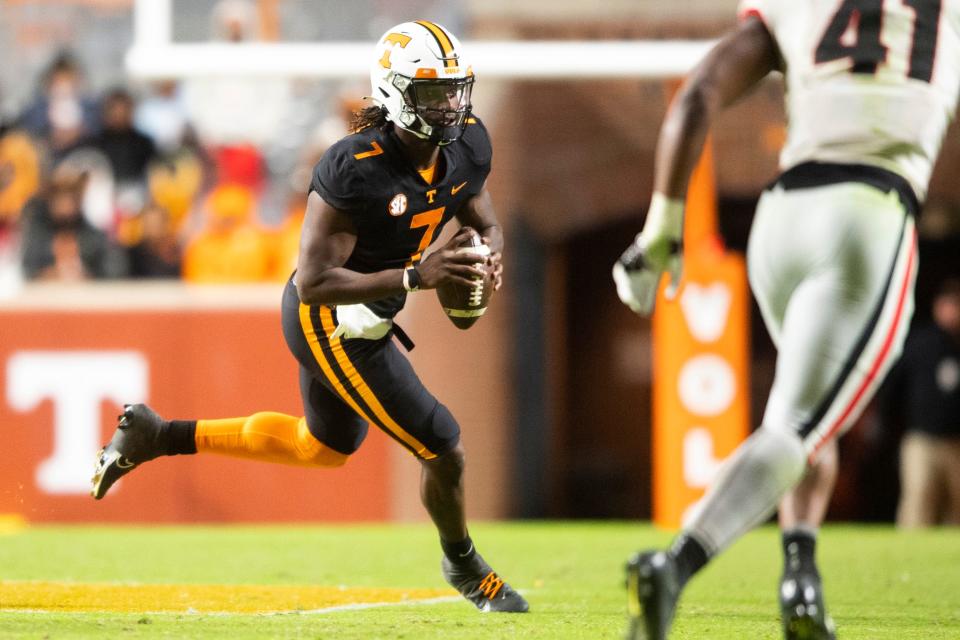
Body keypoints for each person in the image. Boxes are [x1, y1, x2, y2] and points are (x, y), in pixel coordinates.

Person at [91, 20, 528, 614]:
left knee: (322, 447)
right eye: (433, 93)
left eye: (455, 89)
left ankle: (157, 435)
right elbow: (315, 281)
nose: (450, 105)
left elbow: (484, 216)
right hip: (329, 320)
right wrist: (414, 276)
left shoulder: (467, 142)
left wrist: (489, 254)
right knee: (442, 445)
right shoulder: (355, 166)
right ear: (396, 94)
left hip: (370, 314)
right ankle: (466, 567)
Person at [612, 1, 960, 639]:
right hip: (869, 216)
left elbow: (696, 97)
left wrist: (661, 231)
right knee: (798, 428)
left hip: (783, 219)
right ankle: (674, 565)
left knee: (805, 423)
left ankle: (801, 576)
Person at [882, 277, 960, 528]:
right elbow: (892, 387)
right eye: (950, 304)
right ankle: (907, 558)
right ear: (939, 306)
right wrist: (888, 426)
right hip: (921, 440)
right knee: (918, 503)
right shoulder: (919, 343)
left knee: (957, 508)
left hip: (956, 443)